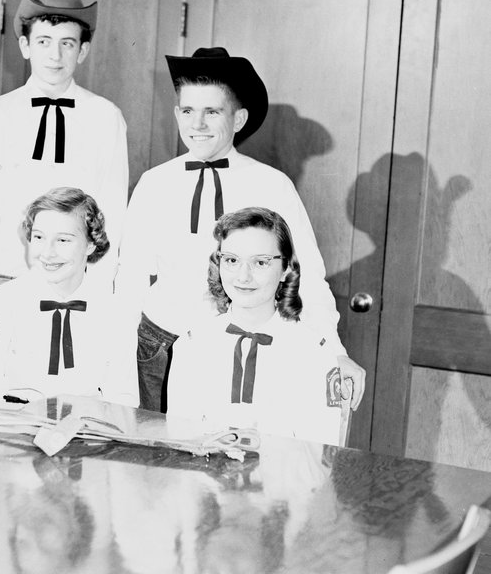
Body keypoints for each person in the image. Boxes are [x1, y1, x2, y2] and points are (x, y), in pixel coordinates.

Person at [116, 47, 365, 412]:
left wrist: (335, 350)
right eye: (188, 111)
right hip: (158, 348)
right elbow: (130, 280)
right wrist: (120, 368)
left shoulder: (272, 184)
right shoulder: (154, 183)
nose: (197, 125)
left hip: (231, 348)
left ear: (238, 118)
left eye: (212, 112)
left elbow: (307, 275)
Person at [0, 0, 128, 303]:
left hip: (73, 286)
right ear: (25, 46)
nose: (55, 55)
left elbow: (113, 215)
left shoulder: (105, 117)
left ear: (83, 50)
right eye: (43, 41)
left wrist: (99, 291)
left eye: (67, 43)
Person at [166, 207, 346, 446]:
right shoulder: (192, 345)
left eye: (260, 262)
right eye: (231, 260)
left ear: (286, 270)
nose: (243, 277)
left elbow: (319, 453)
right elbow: (180, 439)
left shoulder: (313, 352)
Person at [0, 187, 137, 405]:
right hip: (11, 426)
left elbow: (123, 399)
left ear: (90, 244)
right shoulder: (1, 303)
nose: (47, 252)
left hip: (89, 430)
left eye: (63, 240)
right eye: (39, 237)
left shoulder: (115, 313)